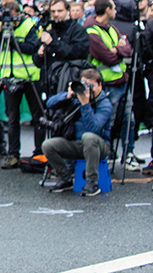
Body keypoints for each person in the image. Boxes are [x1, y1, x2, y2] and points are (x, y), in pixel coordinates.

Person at [0, 0, 44, 169]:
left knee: (37, 116)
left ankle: (39, 152)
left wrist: (12, 41)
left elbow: (32, 47)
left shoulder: (29, 25)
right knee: (12, 117)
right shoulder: (0, 25)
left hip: (29, 77)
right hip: (9, 75)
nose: (9, 21)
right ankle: (12, 154)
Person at [41, 68, 114, 197]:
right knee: (48, 145)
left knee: (88, 137)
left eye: (91, 85)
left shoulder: (105, 104)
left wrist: (85, 104)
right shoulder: (77, 97)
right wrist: (67, 95)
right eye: (85, 84)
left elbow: (94, 128)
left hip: (99, 147)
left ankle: (92, 182)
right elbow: (49, 104)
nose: (87, 89)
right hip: (77, 144)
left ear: (100, 85)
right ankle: (65, 178)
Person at [84, 0, 133, 147]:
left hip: (121, 80)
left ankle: (128, 153)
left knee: (128, 119)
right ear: (107, 10)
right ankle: (104, 152)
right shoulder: (92, 31)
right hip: (106, 83)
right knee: (107, 120)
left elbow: (128, 49)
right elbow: (108, 57)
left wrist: (116, 49)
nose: (116, 11)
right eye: (114, 8)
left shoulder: (112, 28)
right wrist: (119, 49)